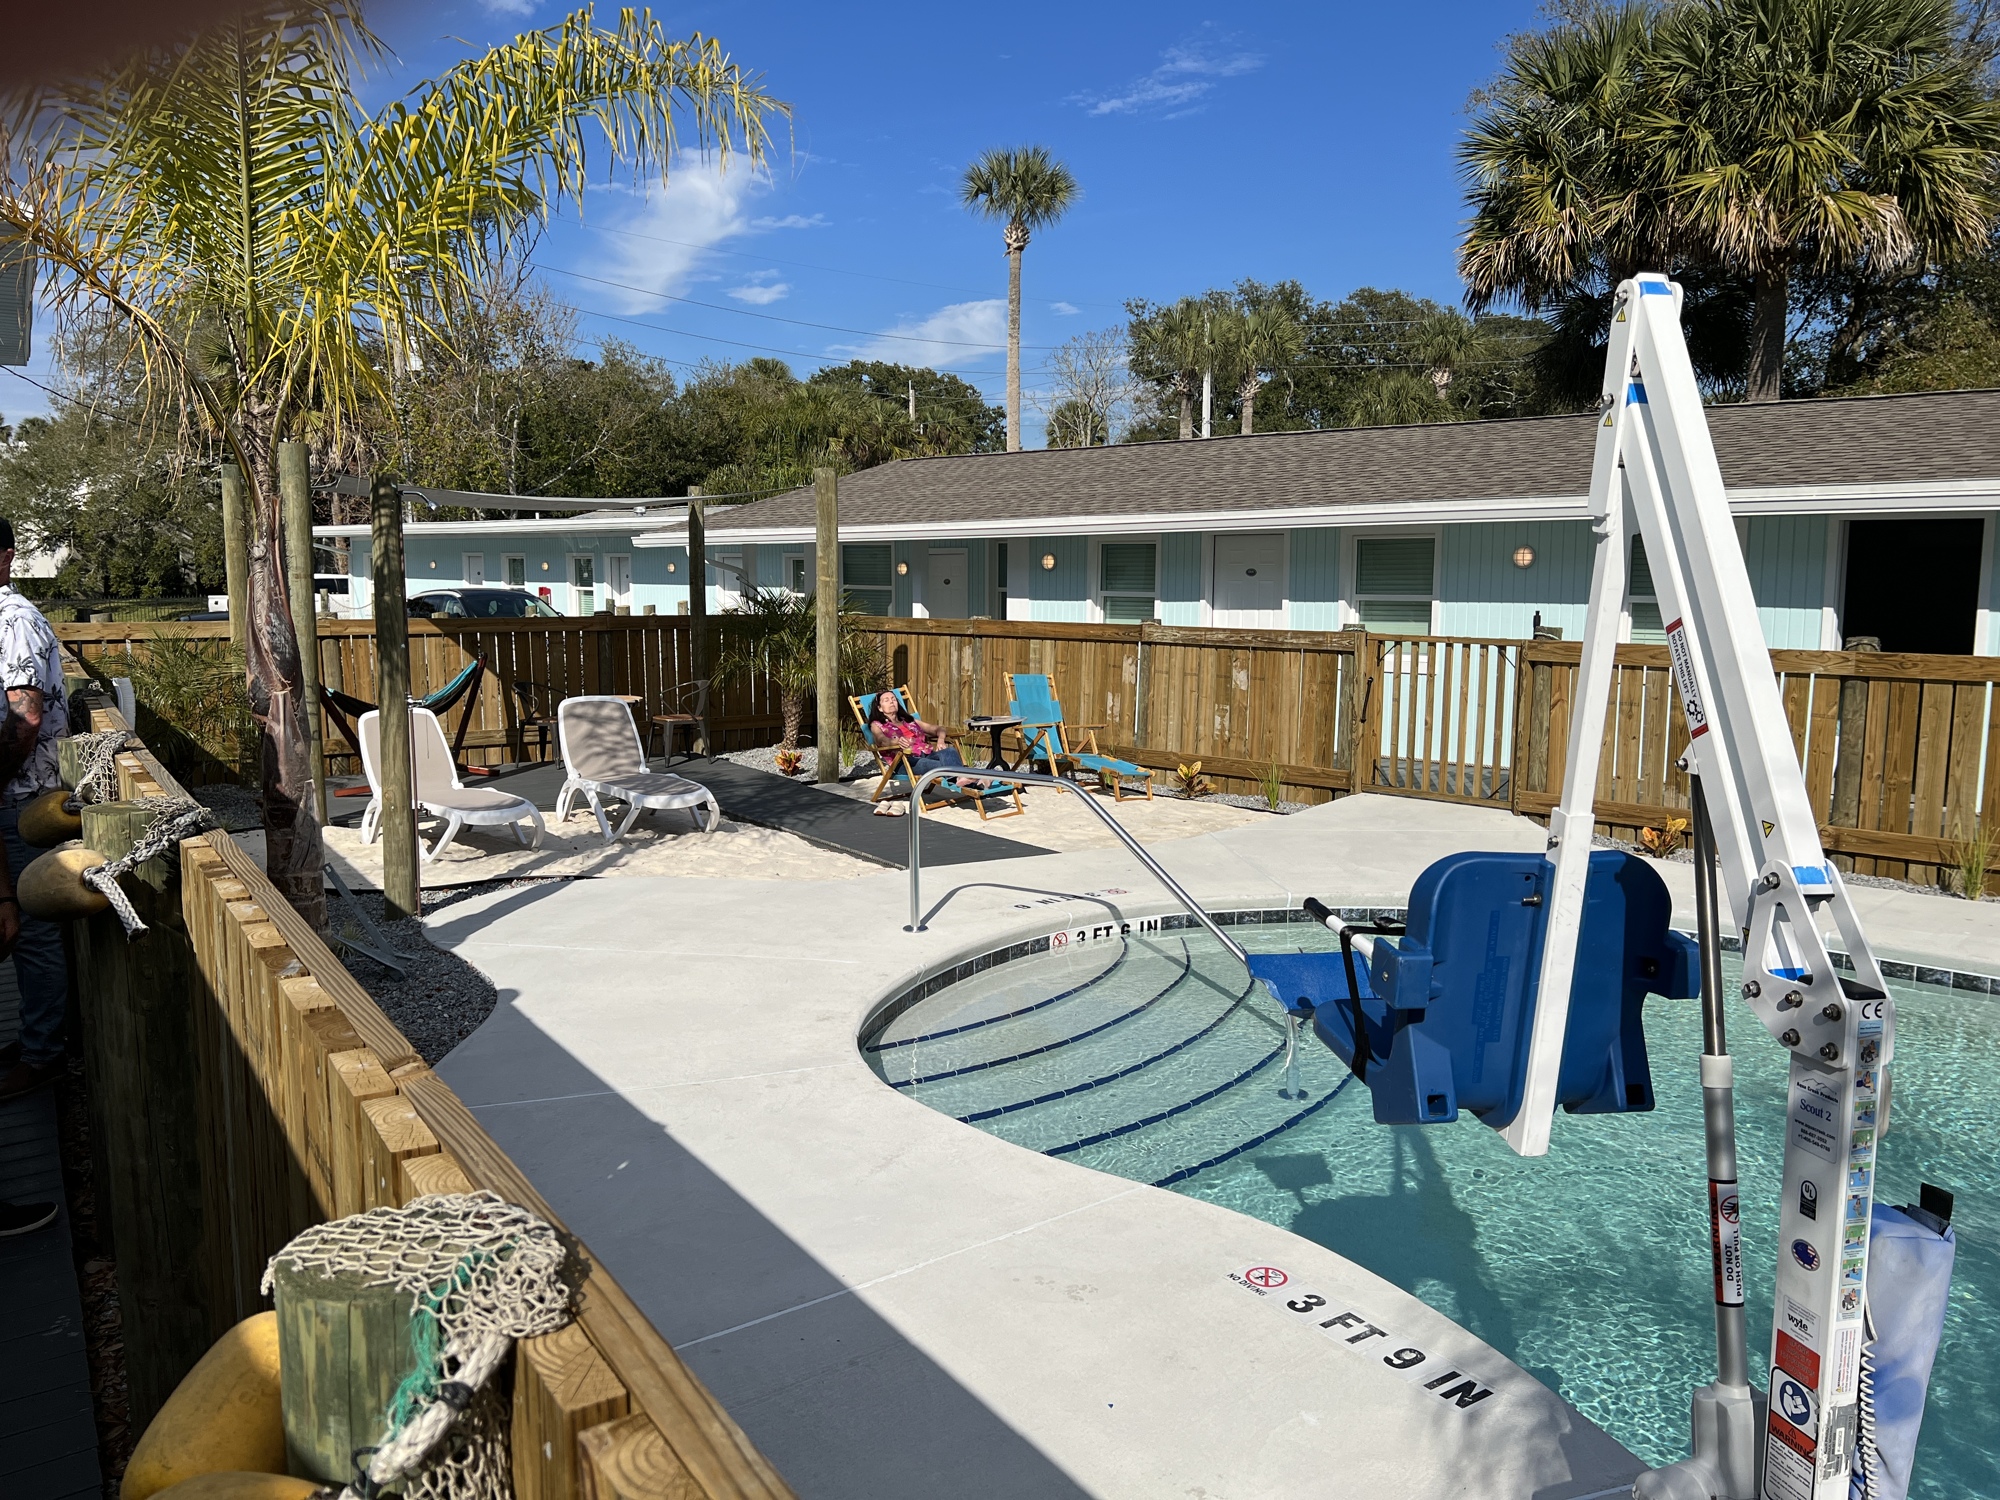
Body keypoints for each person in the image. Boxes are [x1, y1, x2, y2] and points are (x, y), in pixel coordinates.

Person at [0, 519, 72, 1103]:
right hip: (12, 793)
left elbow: (24, 719)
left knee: (34, 933)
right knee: (20, 926)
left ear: (6, 556)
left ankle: (45, 1053)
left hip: (25, 798)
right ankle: (35, 1037)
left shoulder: (14, 619)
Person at [865, 689, 991, 814]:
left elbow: (938, 728)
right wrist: (897, 742)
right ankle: (976, 778)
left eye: (893, 699)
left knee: (950, 751)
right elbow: (882, 740)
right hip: (904, 762)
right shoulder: (877, 725)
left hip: (927, 753)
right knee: (937, 765)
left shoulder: (909, 720)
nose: (892, 702)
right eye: (886, 700)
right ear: (880, 708)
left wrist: (941, 740)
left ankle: (963, 778)